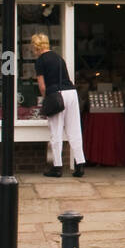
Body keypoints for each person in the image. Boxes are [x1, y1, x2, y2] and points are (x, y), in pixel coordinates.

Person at [31, 34, 85, 178]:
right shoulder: (58, 58)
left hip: (56, 95)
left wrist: (46, 100)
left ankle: (57, 167)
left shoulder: (40, 61)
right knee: (74, 129)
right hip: (71, 93)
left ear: (36, 47)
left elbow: (42, 86)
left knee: (56, 131)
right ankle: (80, 164)